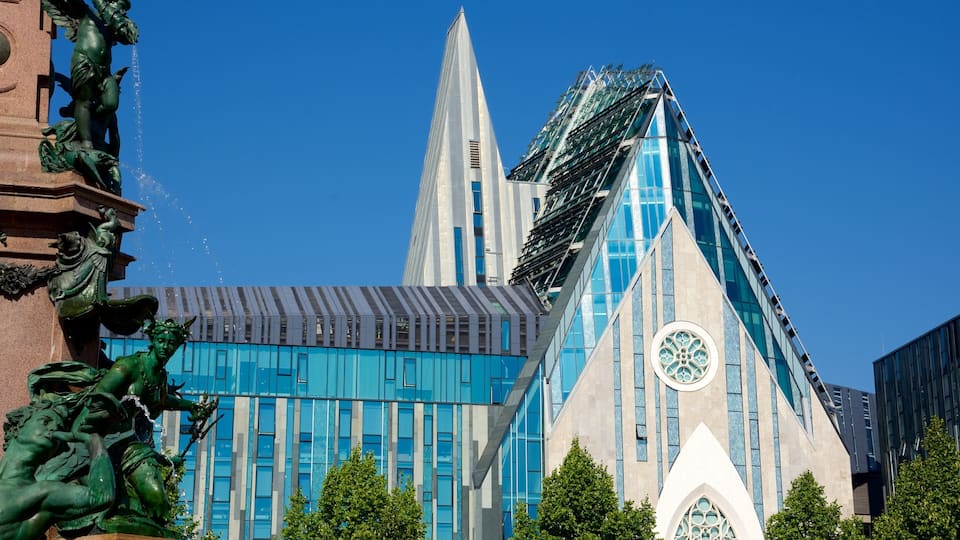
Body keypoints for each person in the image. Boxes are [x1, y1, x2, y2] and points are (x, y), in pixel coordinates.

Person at [92, 317, 216, 527]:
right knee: (147, 501)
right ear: (153, 339)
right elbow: (96, 398)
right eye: (161, 341)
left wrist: (190, 406)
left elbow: (161, 399)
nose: (166, 347)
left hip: (130, 444)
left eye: (171, 343)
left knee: (159, 503)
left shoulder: (160, 377)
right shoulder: (128, 367)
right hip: (105, 440)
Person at [0, 399, 115, 540]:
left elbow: (101, 496)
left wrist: (94, 442)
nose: (53, 428)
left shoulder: (45, 492)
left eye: (59, 428)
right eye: (45, 421)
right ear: (17, 429)